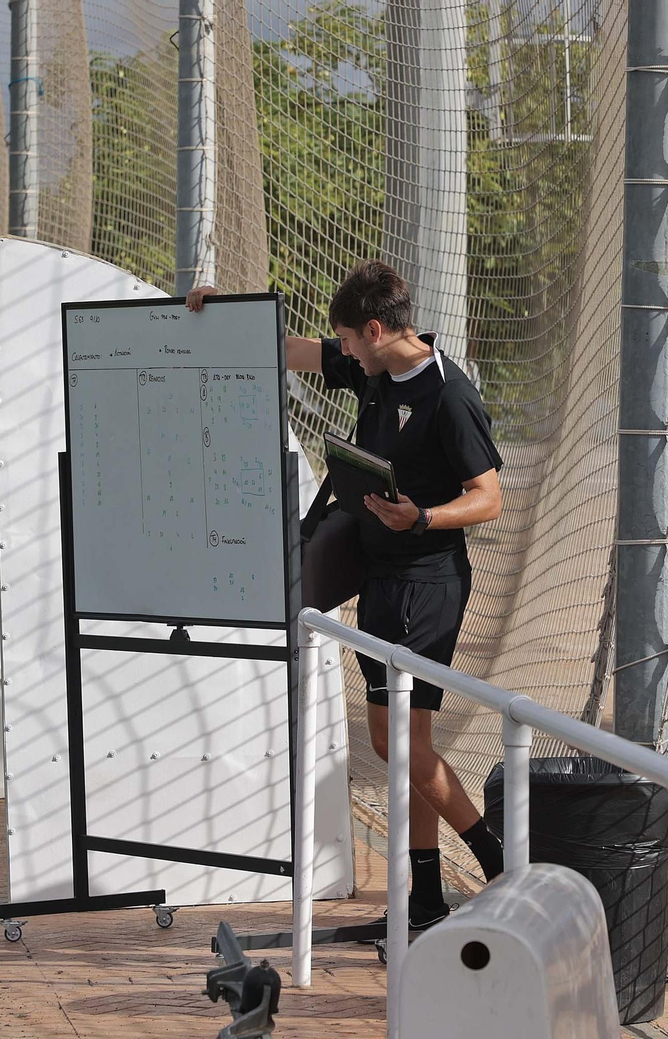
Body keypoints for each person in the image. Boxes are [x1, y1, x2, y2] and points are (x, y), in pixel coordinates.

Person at [187, 260, 506, 929]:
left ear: (375, 328)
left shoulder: (449, 395)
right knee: (407, 742)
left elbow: (488, 498)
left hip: (429, 585)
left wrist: (421, 516)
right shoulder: (373, 367)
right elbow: (291, 350)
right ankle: (422, 900)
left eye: (350, 342)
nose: (345, 356)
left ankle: (500, 864)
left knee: (399, 745)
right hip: (380, 580)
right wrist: (219, 312)